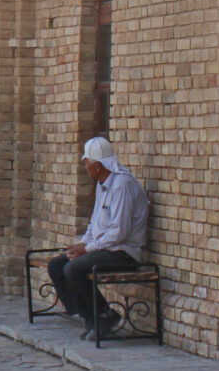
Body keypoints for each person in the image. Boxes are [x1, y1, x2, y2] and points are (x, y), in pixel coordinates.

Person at [47, 136, 149, 340]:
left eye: (87, 163)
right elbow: (95, 223)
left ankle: (103, 315)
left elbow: (119, 233)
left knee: (73, 269)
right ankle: (91, 316)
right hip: (103, 249)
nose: (85, 167)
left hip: (122, 252)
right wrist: (83, 244)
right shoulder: (102, 185)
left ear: (98, 165)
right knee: (57, 266)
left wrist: (88, 249)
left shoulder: (122, 185)